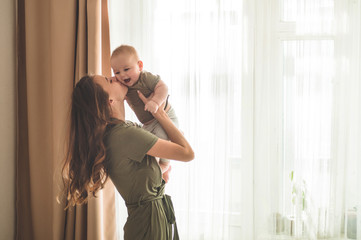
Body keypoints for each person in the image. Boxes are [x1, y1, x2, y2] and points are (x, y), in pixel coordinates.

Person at [61, 75, 194, 240]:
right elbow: (187, 153)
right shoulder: (125, 134)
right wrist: (159, 112)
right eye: (109, 81)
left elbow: (140, 179)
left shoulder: (118, 132)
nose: (115, 77)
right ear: (109, 101)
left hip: (152, 220)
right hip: (149, 225)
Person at [110, 45, 178, 183]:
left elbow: (163, 87)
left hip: (164, 118)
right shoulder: (124, 85)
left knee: (159, 140)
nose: (122, 75)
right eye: (117, 72)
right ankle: (162, 171)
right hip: (147, 124)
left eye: (127, 69)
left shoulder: (145, 78)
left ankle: (165, 165)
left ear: (139, 65)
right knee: (146, 146)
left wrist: (155, 101)